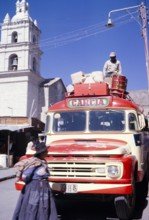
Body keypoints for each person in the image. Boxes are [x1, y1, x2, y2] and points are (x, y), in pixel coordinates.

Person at [12, 142, 58, 220]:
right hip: (35, 187)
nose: (48, 152)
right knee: (34, 206)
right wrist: (34, 182)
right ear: (42, 153)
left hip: (43, 187)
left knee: (43, 206)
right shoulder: (35, 163)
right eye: (46, 151)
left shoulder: (43, 161)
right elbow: (25, 176)